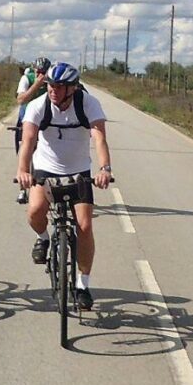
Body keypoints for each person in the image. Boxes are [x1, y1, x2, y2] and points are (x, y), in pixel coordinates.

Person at [15, 61, 113, 311]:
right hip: (45, 169)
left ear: (73, 88)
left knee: (85, 225)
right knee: (35, 212)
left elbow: (99, 137)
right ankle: (43, 238)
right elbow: (28, 140)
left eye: (59, 87)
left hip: (79, 171)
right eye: (50, 86)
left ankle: (83, 285)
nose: (53, 91)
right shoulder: (38, 106)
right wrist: (23, 170)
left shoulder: (88, 104)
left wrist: (104, 169)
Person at [12, 56, 52, 203]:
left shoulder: (52, 81)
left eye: (43, 72)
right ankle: (23, 190)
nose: (40, 74)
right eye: (38, 71)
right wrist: (36, 84)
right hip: (27, 121)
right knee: (25, 153)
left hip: (47, 123)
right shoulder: (26, 79)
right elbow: (21, 99)